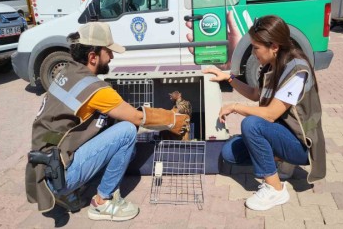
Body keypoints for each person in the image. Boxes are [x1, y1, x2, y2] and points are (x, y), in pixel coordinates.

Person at [25, 22, 189, 221]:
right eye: (108, 52)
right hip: (59, 175)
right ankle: (103, 202)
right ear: (92, 57)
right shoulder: (95, 89)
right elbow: (137, 118)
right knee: (127, 131)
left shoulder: (67, 72)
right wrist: (172, 119)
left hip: (44, 168)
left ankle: (69, 191)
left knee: (114, 129)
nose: (111, 56)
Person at [202, 15, 326, 211]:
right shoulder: (271, 65)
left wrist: (234, 106)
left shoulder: (297, 70)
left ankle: (275, 189)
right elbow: (254, 94)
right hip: (281, 133)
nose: (253, 52)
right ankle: (280, 160)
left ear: (274, 46)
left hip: (302, 144)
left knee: (252, 124)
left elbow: (269, 115)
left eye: (256, 47)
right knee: (229, 153)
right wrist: (228, 78)